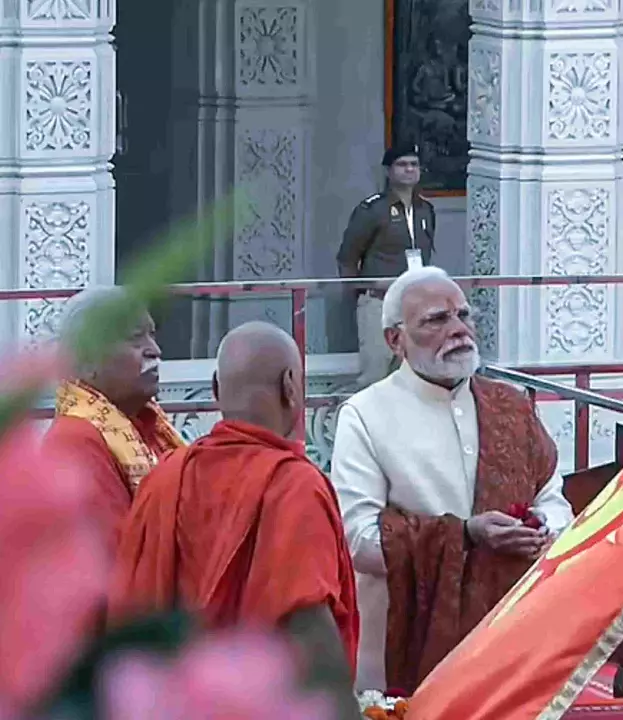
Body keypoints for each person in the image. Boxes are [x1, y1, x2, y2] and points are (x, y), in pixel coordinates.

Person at [330, 266, 575, 692]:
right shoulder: (365, 415)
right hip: (410, 648)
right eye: (436, 320)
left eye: (464, 315)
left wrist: (540, 532)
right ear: (395, 340)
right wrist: (466, 535)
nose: (459, 330)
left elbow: (554, 501)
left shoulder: (510, 407)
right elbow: (359, 542)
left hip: (510, 639)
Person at [108, 321, 359, 716]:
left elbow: (131, 612)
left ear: (215, 390)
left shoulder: (164, 477)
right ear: (291, 387)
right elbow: (309, 625)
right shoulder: (294, 485)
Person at [42, 286, 184, 554]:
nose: (155, 351)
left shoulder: (150, 427)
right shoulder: (74, 442)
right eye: (135, 338)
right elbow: (116, 559)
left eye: (152, 336)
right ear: (88, 360)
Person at [337, 142, 438, 389]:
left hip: (415, 306)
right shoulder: (372, 210)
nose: (409, 170)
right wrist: (357, 294)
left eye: (414, 165)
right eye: (402, 165)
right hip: (378, 302)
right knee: (375, 375)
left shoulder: (425, 209)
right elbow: (347, 257)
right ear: (388, 171)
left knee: (413, 375)